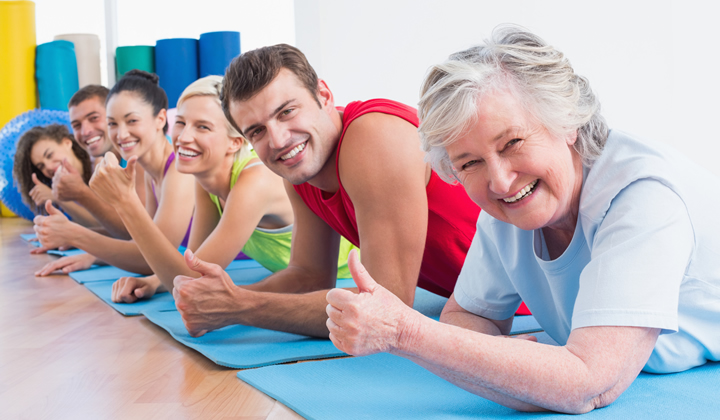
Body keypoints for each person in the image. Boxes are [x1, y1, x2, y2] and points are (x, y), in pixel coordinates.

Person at [324, 25, 720, 414]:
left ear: (567, 123)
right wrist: (513, 371)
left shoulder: (643, 198)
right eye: (470, 163)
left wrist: (403, 331)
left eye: (512, 142)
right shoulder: (507, 212)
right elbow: (468, 316)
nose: (499, 180)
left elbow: (587, 385)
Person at [169, 43, 504, 339]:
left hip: (518, 303)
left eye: (287, 112)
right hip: (469, 302)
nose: (278, 140)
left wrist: (240, 307)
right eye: (257, 131)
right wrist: (222, 299)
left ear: (324, 96)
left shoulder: (374, 136)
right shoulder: (299, 171)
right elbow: (308, 276)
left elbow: (385, 303)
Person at [90, 76, 354, 303]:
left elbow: (189, 281)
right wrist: (154, 281)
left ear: (235, 142)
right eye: (181, 123)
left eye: (202, 126)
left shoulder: (254, 182)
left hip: (347, 277)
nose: (184, 137)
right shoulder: (205, 181)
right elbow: (193, 265)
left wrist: (126, 202)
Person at [34, 70, 195, 277]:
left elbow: (152, 259)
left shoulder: (179, 171)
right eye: (113, 123)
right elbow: (145, 241)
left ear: (160, 118)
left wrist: (75, 234)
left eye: (132, 121)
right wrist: (93, 256)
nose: (121, 134)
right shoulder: (149, 171)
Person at [13, 123, 97, 228]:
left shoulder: (98, 165)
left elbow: (103, 224)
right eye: (41, 166)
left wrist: (56, 197)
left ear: (67, 143)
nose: (48, 167)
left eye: (49, 155)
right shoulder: (66, 185)